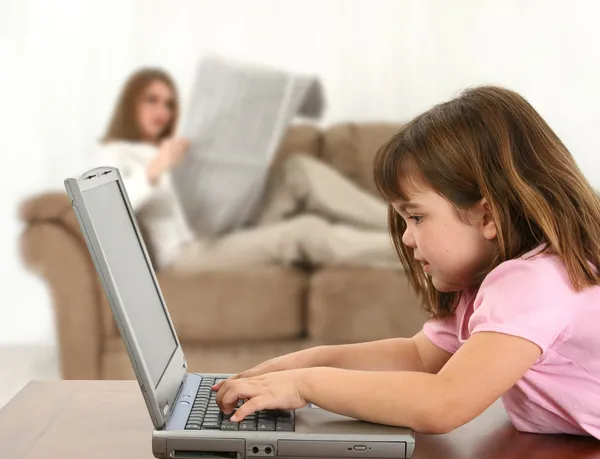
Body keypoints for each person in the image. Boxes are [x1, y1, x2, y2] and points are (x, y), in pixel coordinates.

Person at [212, 86, 600, 439]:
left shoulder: (533, 282)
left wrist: (305, 386)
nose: (406, 237)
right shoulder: (485, 283)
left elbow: (443, 402)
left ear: (487, 217)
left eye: (416, 217)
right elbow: (418, 358)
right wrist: (301, 365)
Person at [97, 67, 399, 271]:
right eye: (152, 101)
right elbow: (107, 211)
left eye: (169, 104)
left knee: (298, 169)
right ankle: (409, 251)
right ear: (131, 103)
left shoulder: (179, 145)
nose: (162, 111)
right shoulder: (115, 153)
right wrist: (155, 169)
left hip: (226, 225)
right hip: (188, 251)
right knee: (305, 232)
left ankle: (400, 222)